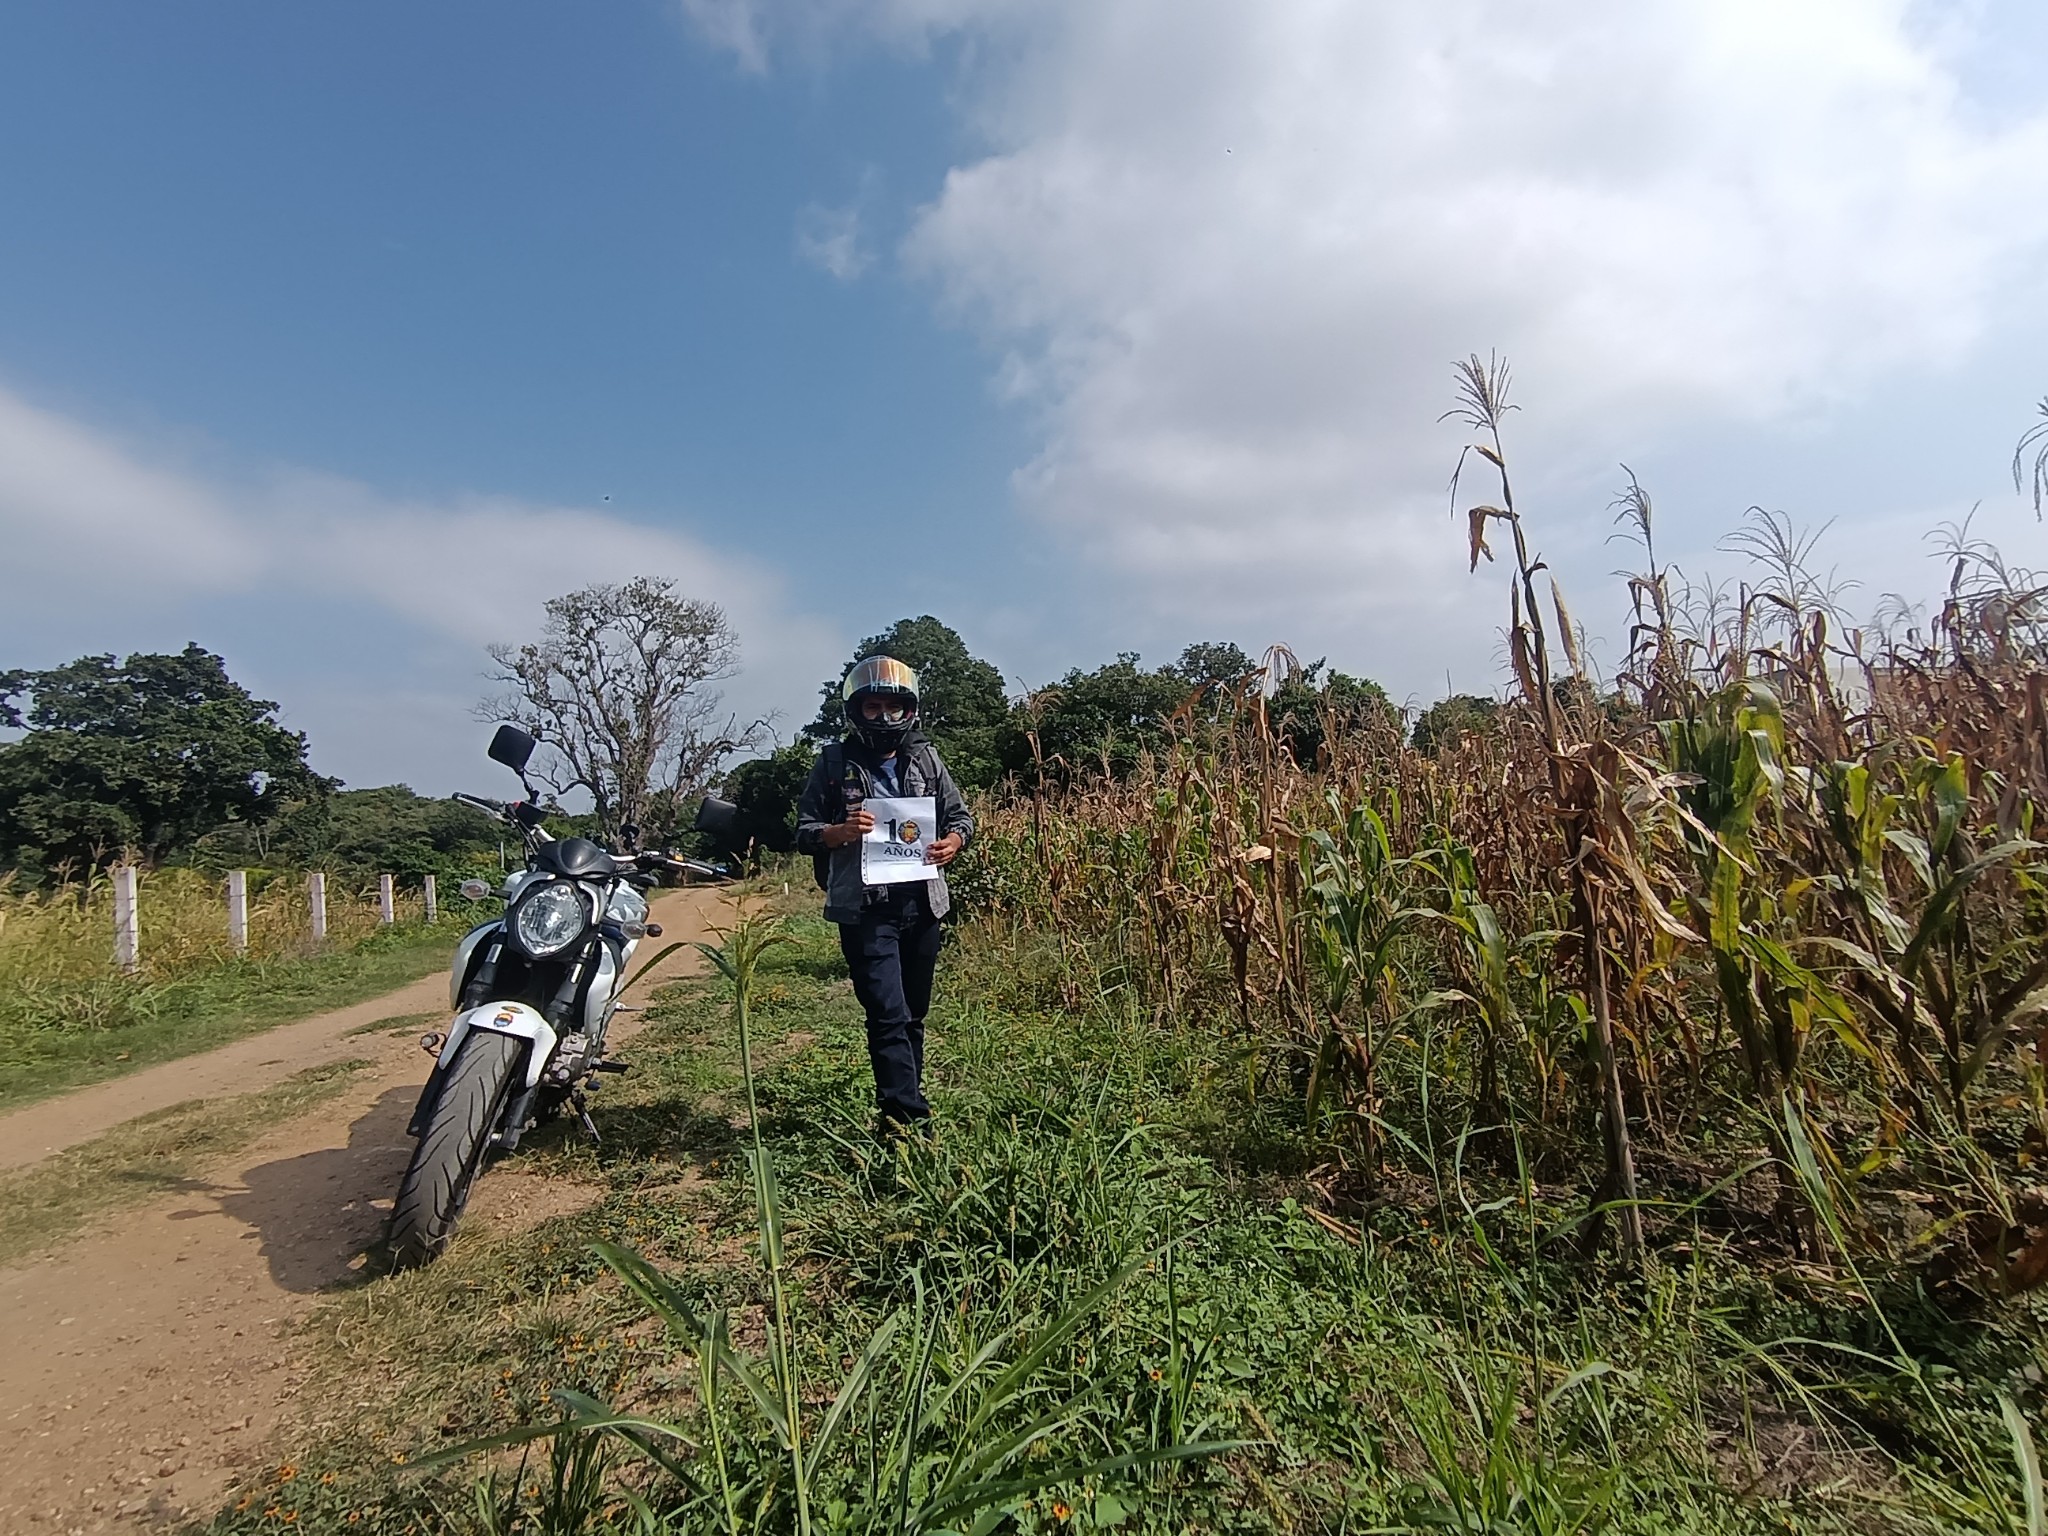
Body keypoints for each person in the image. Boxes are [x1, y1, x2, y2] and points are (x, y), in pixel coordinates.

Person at [795, 656, 973, 1129]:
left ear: (909, 710)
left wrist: (952, 843)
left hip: (922, 902)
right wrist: (840, 831)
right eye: (872, 707)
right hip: (866, 909)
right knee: (887, 1013)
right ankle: (908, 1121)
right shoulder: (833, 764)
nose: (884, 717)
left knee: (914, 1014)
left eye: (894, 707)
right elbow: (803, 831)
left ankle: (901, 1104)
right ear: (855, 710)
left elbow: (961, 818)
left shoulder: (927, 758)